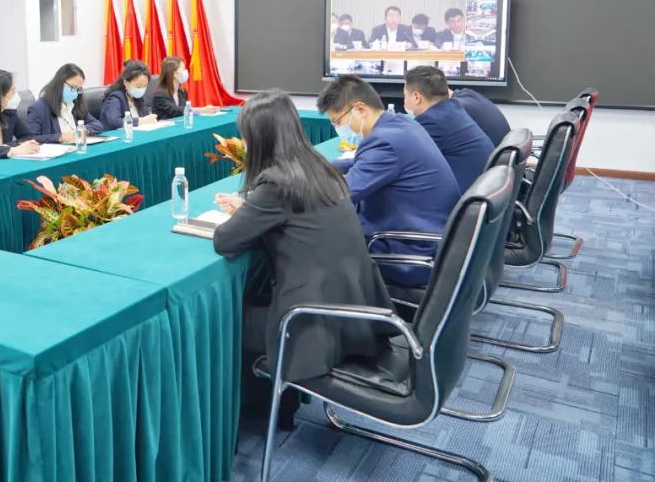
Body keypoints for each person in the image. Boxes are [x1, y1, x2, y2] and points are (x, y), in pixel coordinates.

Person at [212, 90, 394, 390]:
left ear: (259, 138)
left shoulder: (276, 182)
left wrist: (248, 212)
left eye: (245, 136)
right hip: (353, 313)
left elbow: (225, 241)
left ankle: (250, 411)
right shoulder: (318, 167)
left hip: (309, 325)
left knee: (220, 319)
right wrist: (252, 209)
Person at [316, 74, 460, 286]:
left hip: (410, 253)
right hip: (433, 238)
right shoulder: (400, 123)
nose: (339, 129)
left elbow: (340, 195)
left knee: (317, 241)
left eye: (337, 122)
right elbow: (360, 160)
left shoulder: (384, 142)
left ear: (360, 110)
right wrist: (318, 167)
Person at [403, 66, 494, 194]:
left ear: (417, 97)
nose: (405, 100)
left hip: (461, 197)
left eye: (405, 96)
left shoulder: (432, 121)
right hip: (481, 188)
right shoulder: (453, 107)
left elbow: (404, 160)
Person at [26, 63, 104, 143]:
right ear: (60, 82)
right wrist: (60, 137)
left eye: (78, 89)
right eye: (73, 87)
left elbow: (97, 124)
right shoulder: (39, 108)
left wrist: (83, 130)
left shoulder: (75, 103)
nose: (75, 93)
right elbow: (30, 139)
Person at [151, 56, 219, 120]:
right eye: (183, 69)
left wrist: (203, 110)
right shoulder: (160, 94)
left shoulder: (182, 91)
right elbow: (175, 110)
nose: (185, 72)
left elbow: (184, 109)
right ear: (174, 73)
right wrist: (201, 110)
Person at [99, 60, 158, 130]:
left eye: (145, 86)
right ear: (126, 82)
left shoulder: (137, 98)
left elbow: (146, 115)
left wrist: (150, 118)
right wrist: (140, 121)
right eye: (138, 86)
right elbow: (114, 122)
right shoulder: (115, 98)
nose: (142, 89)